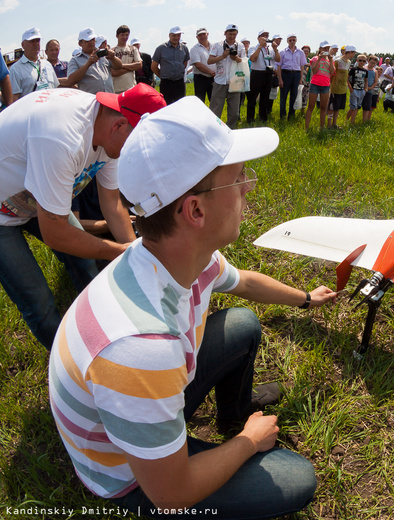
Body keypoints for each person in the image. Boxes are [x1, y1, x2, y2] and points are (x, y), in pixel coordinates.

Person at [49, 96, 337, 518]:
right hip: (130, 477)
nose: (249, 186)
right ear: (195, 210)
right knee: (297, 479)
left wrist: (306, 298)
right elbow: (171, 495)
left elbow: (246, 283)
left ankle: (232, 415)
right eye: (238, 177)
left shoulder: (172, 256)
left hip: (148, 396)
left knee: (241, 323)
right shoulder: (141, 346)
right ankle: (233, 431)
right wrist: (249, 442)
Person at [0, 83, 165, 350]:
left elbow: (112, 204)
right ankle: (70, 366)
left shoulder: (110, 125)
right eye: (135, 145)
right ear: (120, 125)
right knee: (39, 301)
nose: (131, 154)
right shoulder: (62, 138)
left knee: (85, 263)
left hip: (36, 198)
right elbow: (55, 233)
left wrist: (135, 250)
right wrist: (117, 252)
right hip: (2, 214)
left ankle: (105, 332)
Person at [208, 24, 246, 129]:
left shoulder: (241, 46)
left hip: (235, 82)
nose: (232, 36)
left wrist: (237, 58)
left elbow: (244, 62)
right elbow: (210, 60)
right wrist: (223, 56)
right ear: (225, 33)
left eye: (234, 34)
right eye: (230, 34)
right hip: (220, 81)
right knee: (215, 110)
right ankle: (215, 130)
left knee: (234, 113)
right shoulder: (217, 45)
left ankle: (229, 130)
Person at [10, 28, 59, 102]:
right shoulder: (15, 69)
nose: (36, 44)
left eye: (38, 40)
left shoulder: (47, 64)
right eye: (32, 41)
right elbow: (14, 99)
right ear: (23, 45)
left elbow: (56, 88)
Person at [247, 30, 280, 124]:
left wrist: (275, 49)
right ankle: (250, 119)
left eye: (267, 36)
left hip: (268, 74)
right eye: (263, 36)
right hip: (256, 74)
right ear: (258, 38)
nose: (266, 37)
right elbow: (253, 59)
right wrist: (260, 47)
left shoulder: (271, 48)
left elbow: (278, 59)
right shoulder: (254, 47)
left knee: (265, 98)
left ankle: (263, 118)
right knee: (252, 98)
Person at [152, 26, 190, 105]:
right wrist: (162, 76)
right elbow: (153, 66)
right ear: (169, 35)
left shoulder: (184, 48)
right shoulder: (161, 48)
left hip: (179, 82)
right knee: (166, 105)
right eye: (174, 35)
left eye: (178, 35)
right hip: (166, 83)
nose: (176, 38)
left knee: (180, 105)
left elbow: (185, 63)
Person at [303, 41, 334, 131]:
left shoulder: (330, 60)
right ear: (320, 49)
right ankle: (307, 127)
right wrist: (320, 59)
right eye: (324, 48)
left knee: (323, 107)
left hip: (325, 85)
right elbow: (314, 70)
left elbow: (332, 72)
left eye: (328, 48)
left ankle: (321, 127)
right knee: (311, 106)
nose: (326, 50)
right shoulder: (315, 58)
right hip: (315, 84)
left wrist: (331, 60)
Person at [277, 34, 307, 121]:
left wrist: (301, 78)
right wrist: (280, 79)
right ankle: (282, 116)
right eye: (290, 40)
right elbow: (279, 66)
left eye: (293, 40)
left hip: (296, 75)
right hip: (285, 74)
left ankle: (291, 115)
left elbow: (302, 66)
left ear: (296, 40)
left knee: (294, 96)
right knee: (283, 96)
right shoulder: (282, 52)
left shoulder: (300, 53)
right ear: (287, 41)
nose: (292, 42)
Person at [328, 45, 355, 128]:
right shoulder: (338, 61)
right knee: (332, 107)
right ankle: (329, 125)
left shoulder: (349, 62)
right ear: (350, 52)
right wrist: (330, 84)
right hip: (335, 87)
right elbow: (332, 73)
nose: (354, 55)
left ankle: (334, 124)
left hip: (343, 88)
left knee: (338, 107)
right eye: (353, 53)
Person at [111, 25, 142, 94]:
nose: (125, 37)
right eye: (122, 35)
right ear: (117, 36)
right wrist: (131, 67)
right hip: (117, 89)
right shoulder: (112, 52)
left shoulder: (133, 49)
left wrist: (120, 66)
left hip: (131, 87)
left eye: (127, 35)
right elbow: (113, 73)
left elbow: (139, 65)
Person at [190, 28, 216, 103]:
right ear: (197, 37)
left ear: (207, 34)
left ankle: (213, 115)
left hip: (214, 78)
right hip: (200, 79)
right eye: (199, 35)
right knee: (200, 102)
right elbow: (198, 65)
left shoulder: (215, 47)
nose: (202, 36)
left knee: (214, 101)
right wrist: (210, 72)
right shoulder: (194, 49)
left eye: (203, 34)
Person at [346, 54, 369, 125]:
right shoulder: (353, 69)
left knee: (357, 107)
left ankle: (351, 121)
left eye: (363, 61)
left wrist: (366, 88)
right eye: (360, 60)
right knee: (353, 107)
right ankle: (348, 121)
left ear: (366, 62)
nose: (362, 62)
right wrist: (350, 88)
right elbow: (347, 78)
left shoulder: (366, 71)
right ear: (357, 61)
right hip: (354, 90)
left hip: (361, 90)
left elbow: (366, 80)